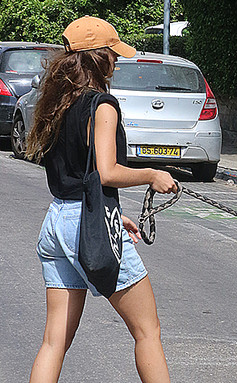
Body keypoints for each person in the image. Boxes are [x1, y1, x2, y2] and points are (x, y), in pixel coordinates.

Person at [25, 16, 176, 383]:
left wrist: (110, 211)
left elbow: (80, 176)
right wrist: (152, 175)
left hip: (58, 221)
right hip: (85, 225)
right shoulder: (101, 106)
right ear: (100, 57)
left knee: (54, 342)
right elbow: (106, 172)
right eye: (114, 53)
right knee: (147, 331)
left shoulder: (58, 103)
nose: (118, 61)